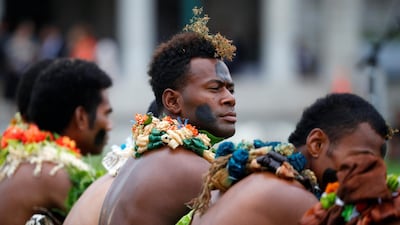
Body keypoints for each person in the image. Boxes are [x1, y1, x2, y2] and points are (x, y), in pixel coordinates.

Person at [76, 7, 234, 225]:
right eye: (215, 88)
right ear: (172, 101)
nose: (229, 99)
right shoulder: (181, 164)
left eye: (230, 89)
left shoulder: (142, 158)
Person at [187, 93, 392, 225]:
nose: (367, 171)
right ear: (317, 144)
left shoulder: (251, 178)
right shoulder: (294, 197)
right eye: (361, 158)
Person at [0, 58, 113, 225]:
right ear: (81, 117)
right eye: (106, 114)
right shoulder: (54, 172)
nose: (110, 126)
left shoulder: (33, 161)